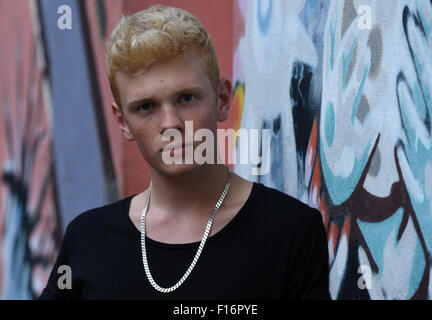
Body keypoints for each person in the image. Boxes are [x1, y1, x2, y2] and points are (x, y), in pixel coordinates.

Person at [39, 4, 330, 300]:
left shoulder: (291, 232)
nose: (171, 124)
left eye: (186, 98)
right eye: (146, 107)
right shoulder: (88, 239)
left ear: (222, 99)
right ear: (122, 122)